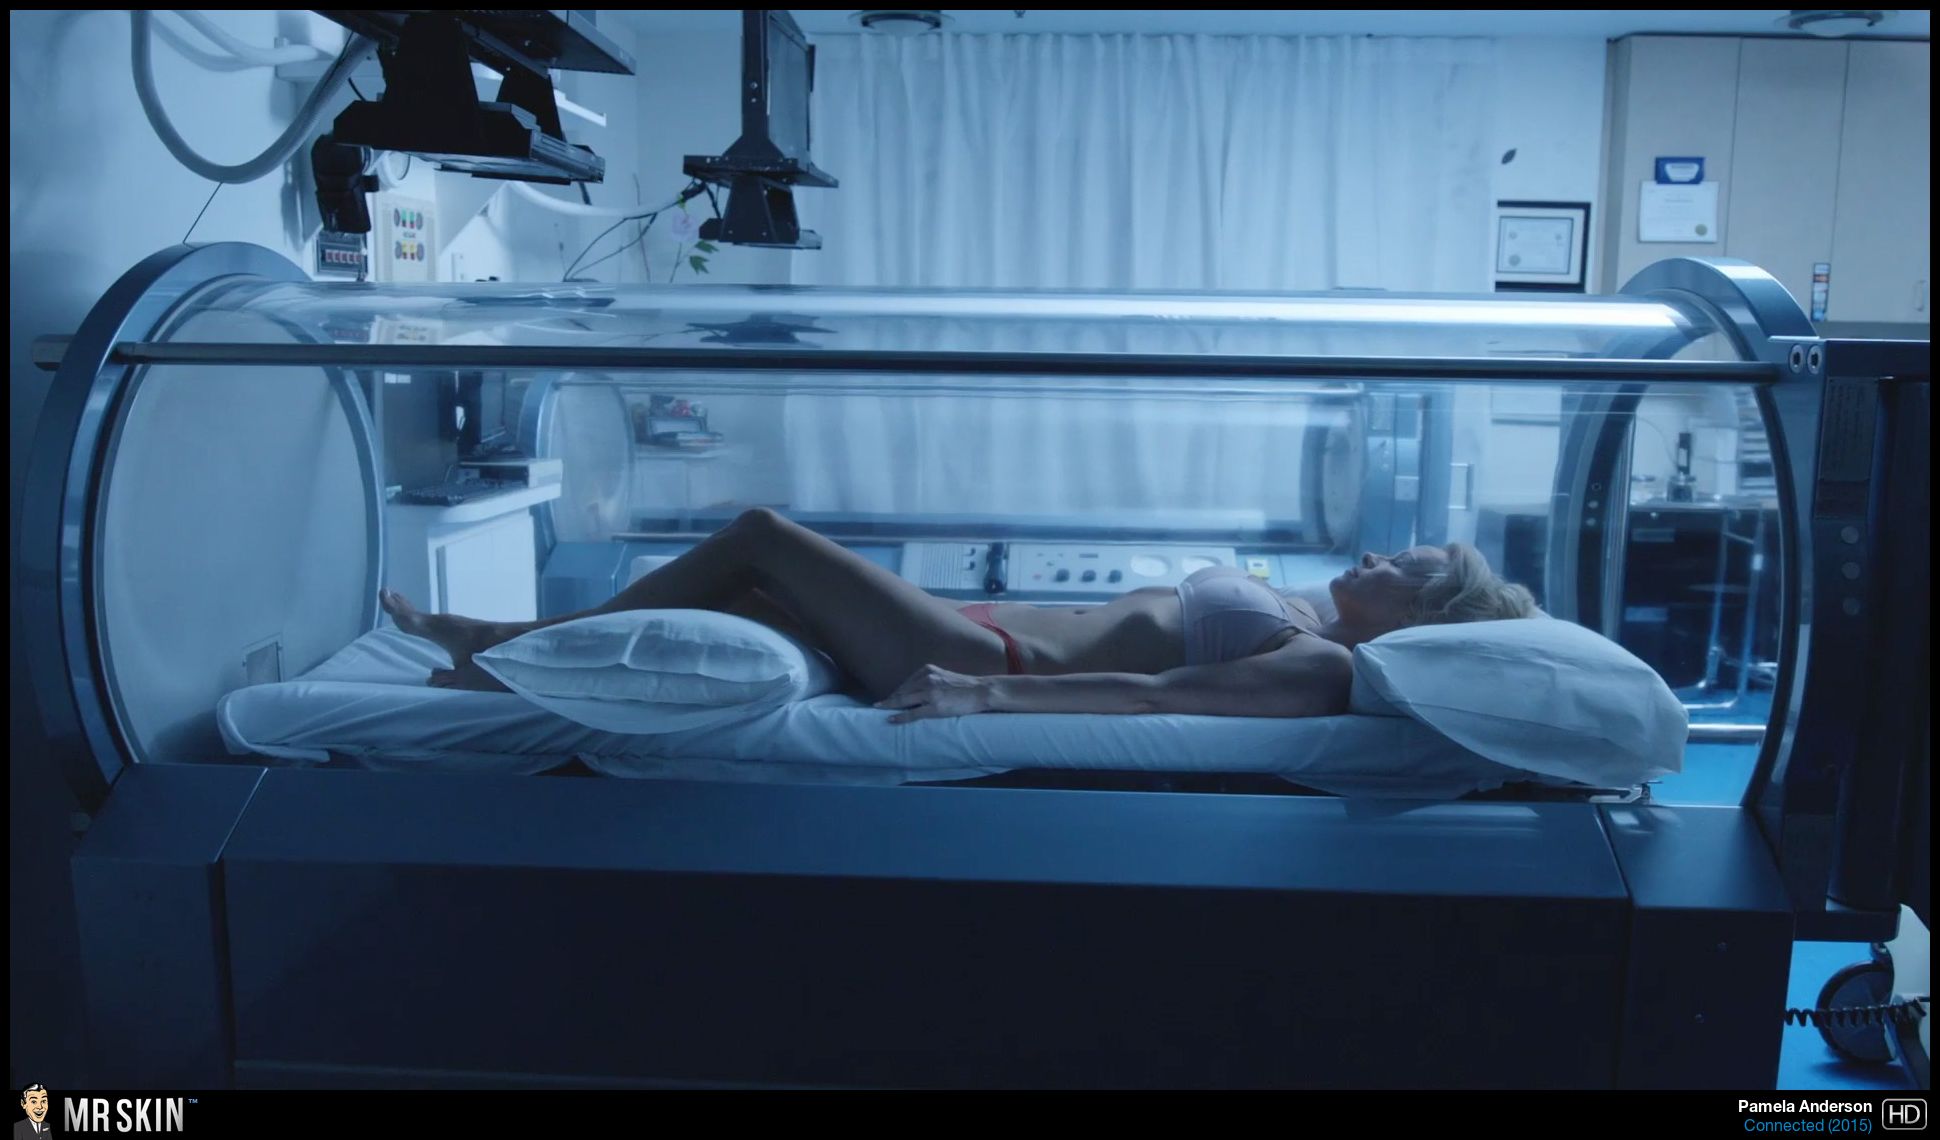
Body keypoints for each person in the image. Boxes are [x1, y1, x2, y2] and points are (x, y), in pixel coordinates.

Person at [381, 507, 1537, 722]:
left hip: (981, 654)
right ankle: (501, 658)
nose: (1374, 555)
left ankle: (498, 647)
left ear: (1416, 613)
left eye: (1404, 563)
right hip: (970, 622)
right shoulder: (1306, 623)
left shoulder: (1320, 670)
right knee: (749, 589)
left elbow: (1157, 695)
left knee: (761, 535)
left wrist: (984, 692)